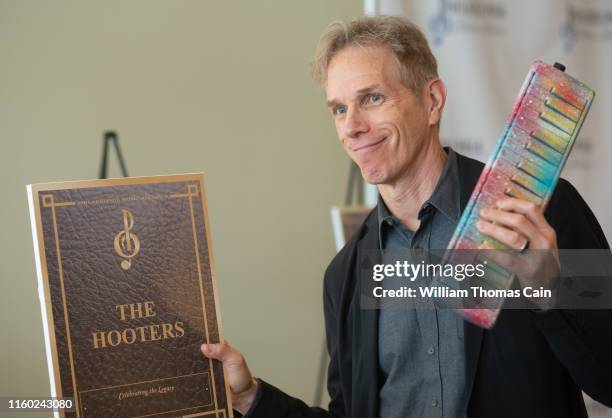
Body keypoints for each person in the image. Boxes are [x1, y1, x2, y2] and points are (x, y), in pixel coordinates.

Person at [201, 16, 612, 418]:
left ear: (432, 101)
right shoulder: (344, 275)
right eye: (339, 109)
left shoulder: (537, 210)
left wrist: (546, 289)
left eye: (372, 99)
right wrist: (253, 399)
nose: (353, 127)